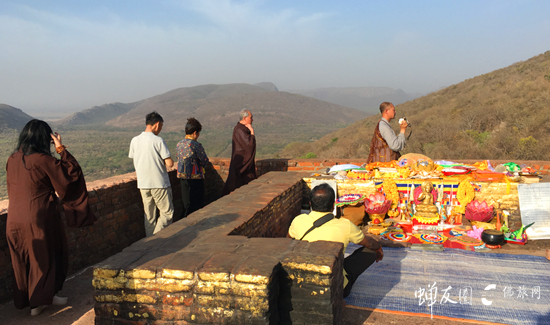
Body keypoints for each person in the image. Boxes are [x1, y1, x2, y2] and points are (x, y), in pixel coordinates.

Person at [6, 119, 95, 316]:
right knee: (46, 256)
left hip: (14, 219)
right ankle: (38, 303)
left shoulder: (12, 158)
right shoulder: (42, 160)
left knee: (24, 260)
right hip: (39, 217)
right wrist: (61, 149)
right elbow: (70, 178)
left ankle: (41, 297)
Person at [287, 184, 383, 297]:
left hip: (304, 281)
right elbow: (370, 243)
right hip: (336, 287)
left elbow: (287, 242)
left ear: (310, 204)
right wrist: (378, 248)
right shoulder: (345, 225)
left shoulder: (298, 221)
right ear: (333, 205)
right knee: (370, 252)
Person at [129, 112, 174, 237]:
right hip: (159, 182)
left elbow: (134, 158)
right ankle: (157, 238)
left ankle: (149, 242)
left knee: (149, 217)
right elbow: (169, 163)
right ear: (157, 124)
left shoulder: (135, 140)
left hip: (143, 184)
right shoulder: (158, 140)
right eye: (161, 126)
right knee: (167, 213)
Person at [175, 117, 209, 221]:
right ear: (195, 133)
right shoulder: (196, 145)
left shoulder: (179, 144)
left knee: (186, 204)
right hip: (195, 178)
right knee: (196, 204)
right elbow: (204, 161)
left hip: (182, 177)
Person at [222, 109, 257, 195]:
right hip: (240, 164)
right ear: (245, 118)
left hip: (244, 164)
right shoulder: (239, 129)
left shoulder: (242, 129)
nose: (252, 120)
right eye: (251, 118)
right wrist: (252, 133)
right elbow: (249, 145)